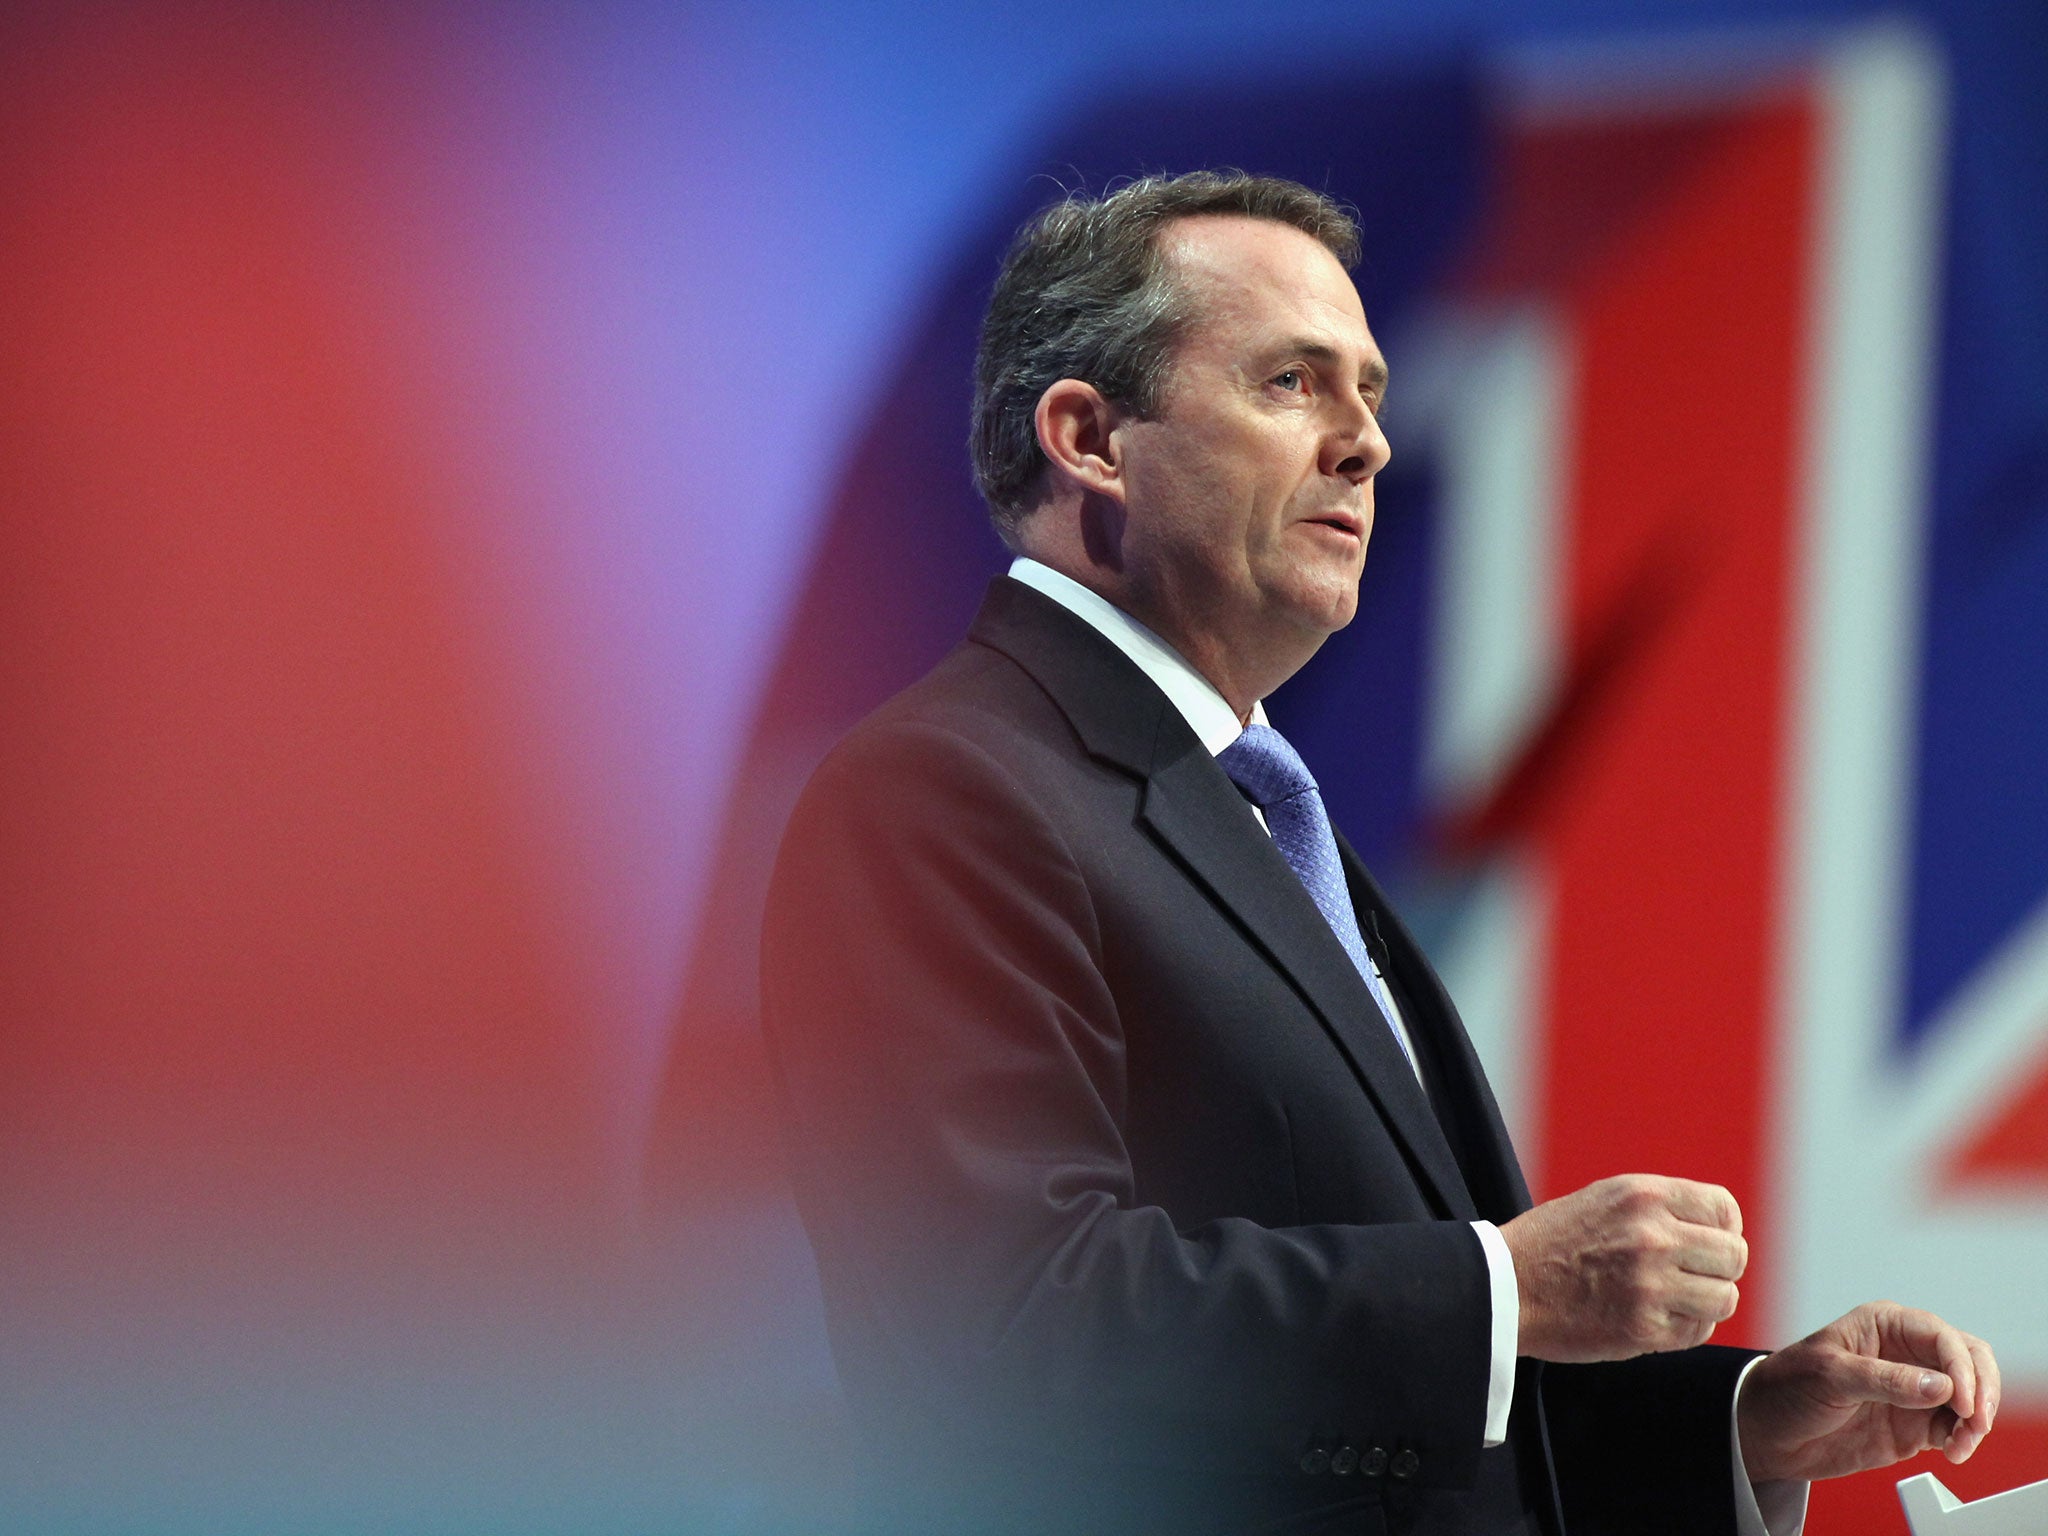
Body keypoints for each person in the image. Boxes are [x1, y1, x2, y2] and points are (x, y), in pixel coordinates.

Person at [760, 172, 1998, 1535]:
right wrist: (1505, 1291)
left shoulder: (1253, 808)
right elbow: (1006, 1318)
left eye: (1370, 393)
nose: (1366, 446)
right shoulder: (944, 791)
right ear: (1090, 437)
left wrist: (1740, 1419)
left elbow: (1420, 1410)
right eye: (1293, 383)